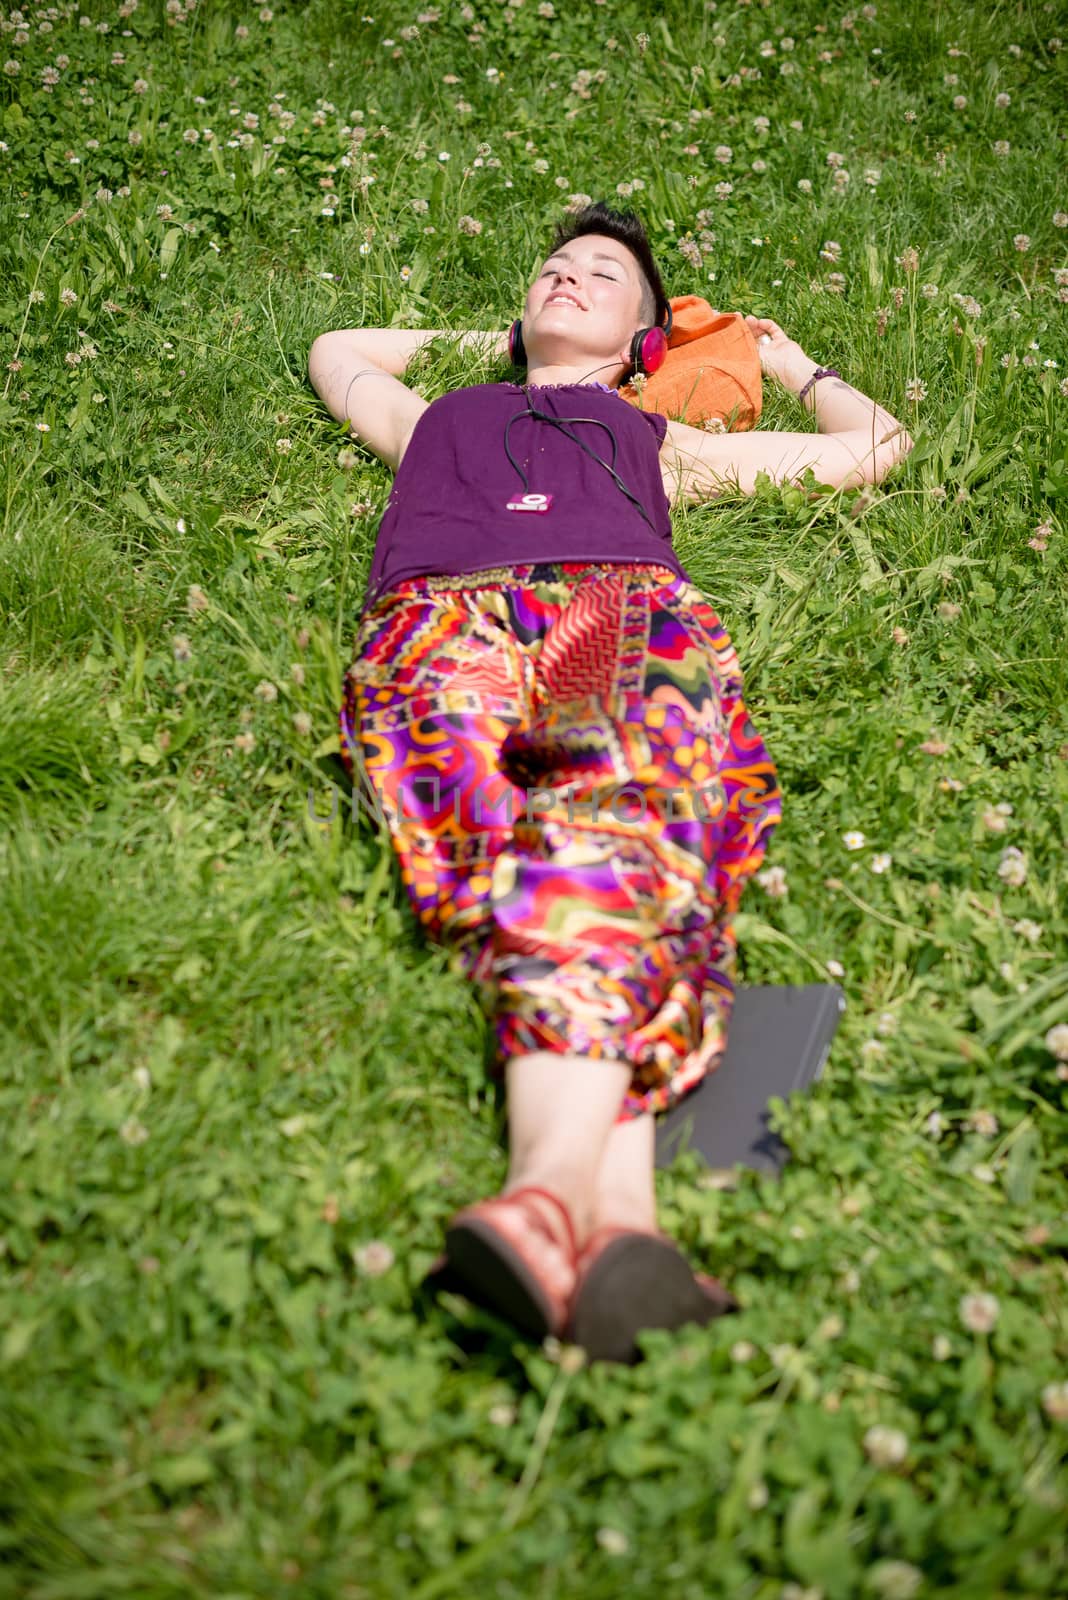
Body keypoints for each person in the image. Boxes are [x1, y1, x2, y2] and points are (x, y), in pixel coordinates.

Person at [309, 202, 911, 1363]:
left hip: (612, 605)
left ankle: (542, 1196)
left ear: (650, 339)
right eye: (556, 268)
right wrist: (503, 339)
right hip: (440, 619)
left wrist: (786, 361)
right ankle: (623, 1218)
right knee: (504, 855)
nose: (572, 277)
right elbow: (340, 349)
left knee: (607, 828)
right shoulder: (438, 419)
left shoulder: (654, 439)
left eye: (606, 275)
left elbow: (876, 447)